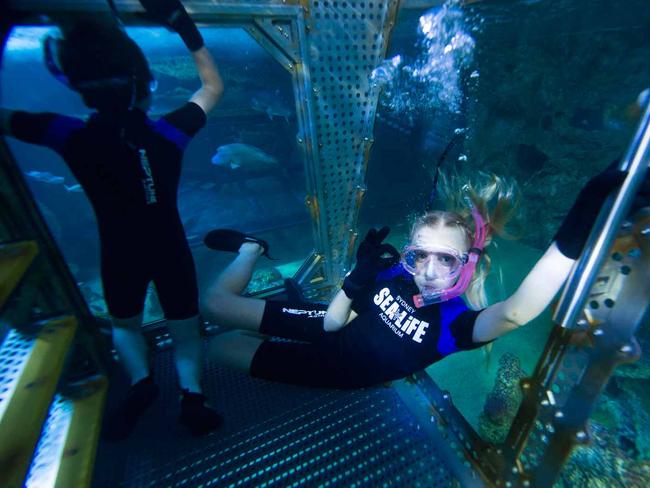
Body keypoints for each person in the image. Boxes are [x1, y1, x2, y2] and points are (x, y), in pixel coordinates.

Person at [200, 151, 648, 389]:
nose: (429, 271)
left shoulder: (456, 324)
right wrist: (355, 282)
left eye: (447, 259)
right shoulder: (396, 271)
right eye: (420, 256)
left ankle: (256, 301)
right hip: (331, 324)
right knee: (213, 306)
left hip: (334, 370)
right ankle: (249, 250)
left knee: (219, 347)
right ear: (409, 252)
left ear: (466, 261)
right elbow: (336, 320)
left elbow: (516, 311)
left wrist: (587, 208)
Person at [1, 0, 224, 438]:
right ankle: (192, 396)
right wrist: (182, 24)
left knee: (125, 324)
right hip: (169, 246)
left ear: (77, 87)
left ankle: (140, 384)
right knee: (184, 328)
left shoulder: (71, 135)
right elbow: (213, 87)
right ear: (146, 85)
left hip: (119, 251)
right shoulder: (166, 133)